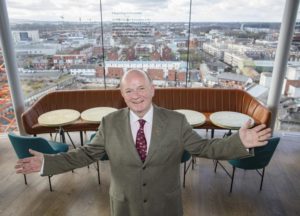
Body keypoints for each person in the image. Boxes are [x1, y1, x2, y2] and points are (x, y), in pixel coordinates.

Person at [15, 69, 272, 216]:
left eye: (141, 88)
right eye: (129, 90)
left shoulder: (176, 121)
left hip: (165, 206)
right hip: (124, 205)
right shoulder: (109, 123)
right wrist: (48, 162)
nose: (136, 95)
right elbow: (84, 154)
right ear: (122, 95)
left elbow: (205, 148)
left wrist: (239, 141)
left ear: (152, 90)